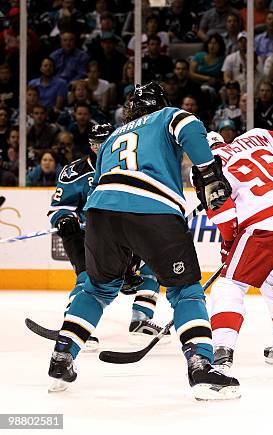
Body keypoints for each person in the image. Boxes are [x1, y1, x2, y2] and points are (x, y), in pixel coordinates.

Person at [46, 82, 240, 400]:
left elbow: (110, 186)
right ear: (160, 103)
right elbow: (190, 126)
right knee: (186, 290)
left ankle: (62, 355)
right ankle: (202, 367)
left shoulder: (112, 138)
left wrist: (129, 255)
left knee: (96, 290)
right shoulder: (167, 116)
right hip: (153, 207)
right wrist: (208, 171)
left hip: (101, 212)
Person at [48, 123, 170, 349]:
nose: (101, 147)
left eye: (106, 142)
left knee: (150, 267)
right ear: (91, 145)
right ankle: (73, 328)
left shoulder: (132, 167)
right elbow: (59, 206)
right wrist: (65, 219)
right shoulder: (76, 172)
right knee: (88, 277)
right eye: (97, 143)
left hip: (123, 231)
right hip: (85, 235)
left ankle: (140, 320)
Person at [203, 129, 273, 370]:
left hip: (265, 223)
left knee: (229, 284)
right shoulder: (256, 136)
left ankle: (221, 353)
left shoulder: (206, 166)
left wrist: (230, 243)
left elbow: (222, 211)